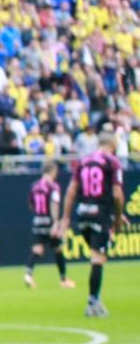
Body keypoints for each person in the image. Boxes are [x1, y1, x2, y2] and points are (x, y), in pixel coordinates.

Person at [58, 132, 125, 319]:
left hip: (83, 215)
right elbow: (117, 194)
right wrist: (118, 218)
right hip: (100, 215)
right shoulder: (112, 162)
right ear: (113, 144)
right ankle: (92, 302)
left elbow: (71, 190)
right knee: (98, 258)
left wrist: (65, 218)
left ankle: (95, 299)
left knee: (98, 256)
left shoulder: (84, 161)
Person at [24, 159, 70, 289]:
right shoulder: (53, 186)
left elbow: (30, 205)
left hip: (38, 220)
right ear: (53, 171)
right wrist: (56, 223)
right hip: (50, 221)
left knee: (37, 249)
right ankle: (63, 279)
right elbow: (54, 204)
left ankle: (28, 274)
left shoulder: (34, 186)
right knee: (58, 249)